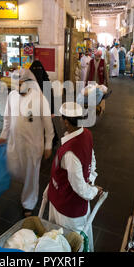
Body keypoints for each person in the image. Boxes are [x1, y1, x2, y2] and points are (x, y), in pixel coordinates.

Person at [0, 69, 54, 217]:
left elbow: (48, 125)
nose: (19, 87)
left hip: (33, 146)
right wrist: (4, 135)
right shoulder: (12, 96)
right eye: (17, 84)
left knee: (31, 175)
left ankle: (28, 204)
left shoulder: (40, 99)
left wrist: (48, 145)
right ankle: (27, 187)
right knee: (15, 168)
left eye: (22, 83)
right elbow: (7, 118)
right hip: (15, 143)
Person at [47, 102, 103, 252]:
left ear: (66, 122)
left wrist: (93, 190)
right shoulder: (86, 133)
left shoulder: (70, 153)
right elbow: (92, 158)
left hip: (67, 206)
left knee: (68, 241)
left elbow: (79, 187)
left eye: (61, 119)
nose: (60, 121)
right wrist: (90, 178)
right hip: (67, 195)